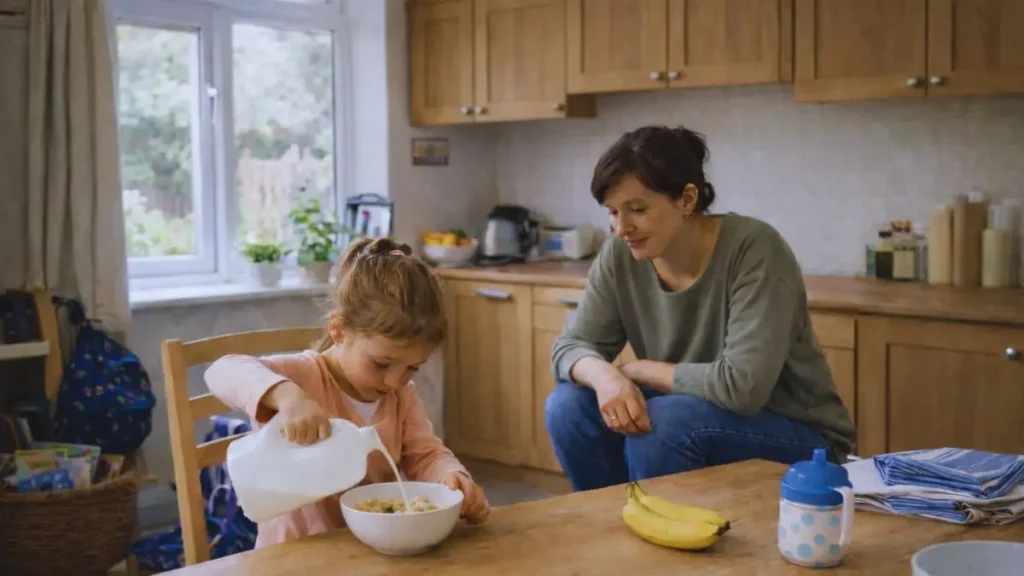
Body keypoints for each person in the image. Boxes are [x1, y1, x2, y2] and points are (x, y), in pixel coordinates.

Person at [545, 125, 856, 492]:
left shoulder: (754, 248)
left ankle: (664, 535)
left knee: (664, 421)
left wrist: (637, 369)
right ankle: (616, 529)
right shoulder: (621, 254)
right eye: (612, 213)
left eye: (637, 209)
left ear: (687, 199)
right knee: (568, 407)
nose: (621, 228)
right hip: (689, 412)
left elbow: (741, 388)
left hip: (801, 438)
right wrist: (606, 377)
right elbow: (569, 347)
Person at [206, 237, 491, 548]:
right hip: (294, 555)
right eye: (382, 364)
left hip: (370, 552)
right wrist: (285, 395)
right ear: (338, 331)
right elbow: (222, 370)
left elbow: (426, 455)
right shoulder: (301, 377)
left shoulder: (401, 398)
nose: (395, 382)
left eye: (413, 368)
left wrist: (451, 477)